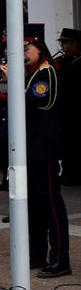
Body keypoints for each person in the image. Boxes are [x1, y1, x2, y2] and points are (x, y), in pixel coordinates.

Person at [0, 24, 71, 278]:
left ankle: (60, 260)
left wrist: (11, 85)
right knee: (34, 205)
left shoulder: (47, 72)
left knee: (51, 204)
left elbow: (39, 101)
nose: (22, 54)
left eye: (26, 49)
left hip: (45, 147)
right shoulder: (30, 73)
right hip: (29, 147)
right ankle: (38, 253)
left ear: (39, 48)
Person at [56, 28, 80, 186]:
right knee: (64, 142)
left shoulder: (78, 61)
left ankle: (76, 174)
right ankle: (65, 171)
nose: (62, 45)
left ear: (74, 43)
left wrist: (60, 69)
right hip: (63, 108)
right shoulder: (62, 60)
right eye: (62, 42)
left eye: (65, 42)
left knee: (76, 143)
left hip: (76, 109)